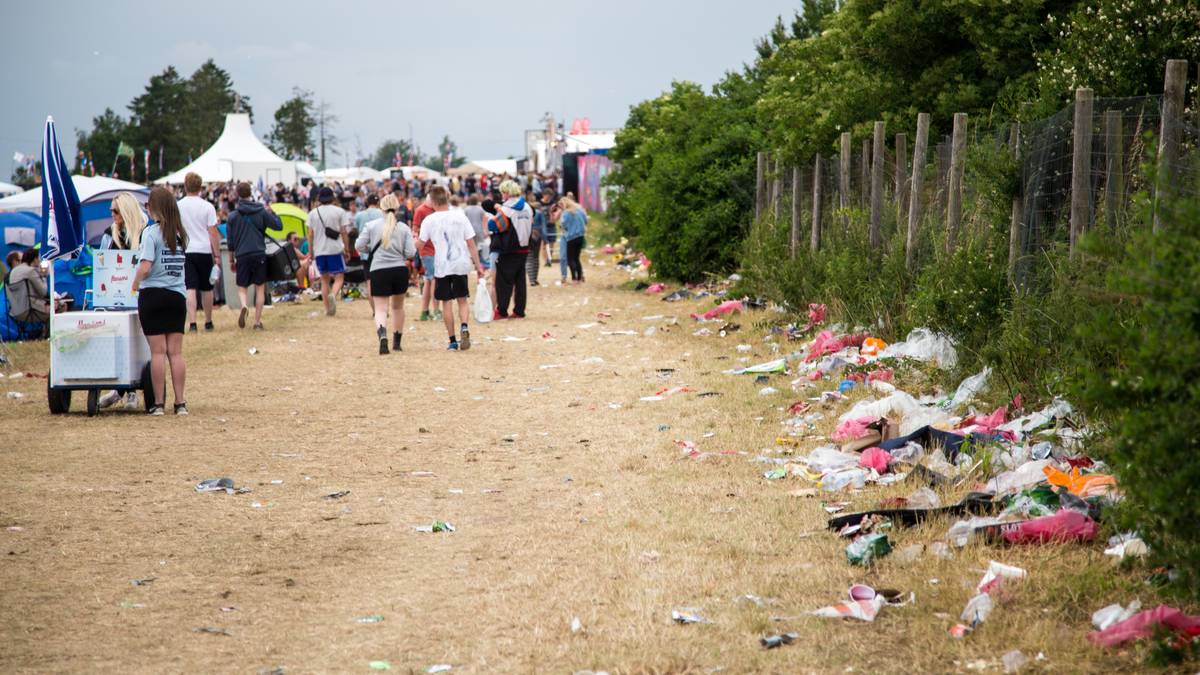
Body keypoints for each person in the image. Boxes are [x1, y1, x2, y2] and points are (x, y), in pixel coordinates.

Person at [131, 187, 189, 416]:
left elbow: (145, 266)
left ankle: (157, 404)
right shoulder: (181, 234)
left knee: (157, 353)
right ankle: (181, 402)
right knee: (175, 353)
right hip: (177, 296)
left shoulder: (151, 233)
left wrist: (134, 283)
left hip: (153, 295)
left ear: (153, 208)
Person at [414, 185, 485, 351]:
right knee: (462, 299)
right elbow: (471, 244)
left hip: (442, 265)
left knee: (446, 302)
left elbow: (420, 245)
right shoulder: (460, 216)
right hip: (461, 262)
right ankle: (465, 327)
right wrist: (478, 265)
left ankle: (452, 340)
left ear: (432, 201)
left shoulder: (429, 220)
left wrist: (406, 247)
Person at [97, 192, 148, 410]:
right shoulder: (110, 235)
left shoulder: (145, 233)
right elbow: (101, 259)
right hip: (114, 297)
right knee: (116, 342)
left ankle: (131, 392)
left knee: (135, 344)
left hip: (137, 296)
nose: (112, 214)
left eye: (115, 210)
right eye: (111, 210)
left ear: (127, 210)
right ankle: (120, 389)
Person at [355, 193, 416, 354]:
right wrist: (400, 254)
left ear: (381, 208)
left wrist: (369, 251)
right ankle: (397, 341)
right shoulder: (403, 227)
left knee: (381, 309)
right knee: (398, 307)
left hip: (378, 270)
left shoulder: (372, 226)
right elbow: (411, 252)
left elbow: (358, 245)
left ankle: (382, 334)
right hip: (399, 270)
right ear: (397, 208)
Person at [226, 182, 277, 330]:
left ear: (237, 194)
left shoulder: (233, 216)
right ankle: (257, 322)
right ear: (250, 193)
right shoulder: (261, 211)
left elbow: (230, 241)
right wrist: (272, 213)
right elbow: (277, 225)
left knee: (242, 287)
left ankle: (244, 306)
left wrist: (231, 258)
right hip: (259, 252)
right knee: (260, 287)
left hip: (242, 254)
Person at [178, 172, 221, 333]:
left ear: (185, 186)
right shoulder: (207, 206)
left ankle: (193, 323)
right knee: (207, 287)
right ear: (200, 187)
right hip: (203, 249)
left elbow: (176, 229)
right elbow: (213, 232)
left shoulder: (179, 205)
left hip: (187, 249)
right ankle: (208, 321)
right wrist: (216, 254)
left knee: (190, 287)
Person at [487, 180, 533, 319]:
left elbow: (493, 225)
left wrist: (496, 210)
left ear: (507, 193)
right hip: (524, 248)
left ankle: (501, 311)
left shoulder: (507, 209)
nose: (502, 195)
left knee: (504, 282)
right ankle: (519, 311)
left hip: (509, 249)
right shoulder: (527, 207)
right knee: (520, 282)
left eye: (502, 192)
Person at [307, 186, 352, 316]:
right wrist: (347, 249)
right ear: (332, 198)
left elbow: (310, 234)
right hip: (335, 249)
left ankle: (328, 309)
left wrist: (311, 252)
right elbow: (344, 232)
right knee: (339, 277)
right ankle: (334, 294)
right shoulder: (339, 211)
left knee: (324, 280)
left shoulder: (313, 213)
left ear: (319, 198)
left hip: (320, 250)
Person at [411, 193, 439, 321]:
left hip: (437, 249)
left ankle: (425, 311)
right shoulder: (421, 210)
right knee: (434, 279)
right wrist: (418, 244)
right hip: (427, 250)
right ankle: (436, 310)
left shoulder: (438, 209)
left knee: (429, 279)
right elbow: (415, 229)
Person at [8, 248, 53, 322]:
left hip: (15, 311)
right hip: (30, 310)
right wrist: (44, 276)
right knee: (59, 308)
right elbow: (43, 292)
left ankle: (44, 332)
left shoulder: (13, 271)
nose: (40, 260)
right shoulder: (30, 271)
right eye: (39, 258)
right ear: (35, 259)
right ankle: (47, 333)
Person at [558, 196, 588, 283]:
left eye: (561, 206)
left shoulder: (566, 213)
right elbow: (586, 221)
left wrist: (564, 226)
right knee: (577, 258)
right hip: (581, 236)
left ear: (564, 204)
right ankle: (579, 278)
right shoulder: (580, 210)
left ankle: (574, 279)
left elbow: (563, 225)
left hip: (571, 237)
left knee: (570, 258)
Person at [524, 187, 545, 286]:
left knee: (529, 257)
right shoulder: (540, 213)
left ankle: (531, 280)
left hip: (528, 235)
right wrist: (545, 239)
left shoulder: (526, 212)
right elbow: (543, 226)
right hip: (538, 236)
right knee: (536, 258)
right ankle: (535, 279)